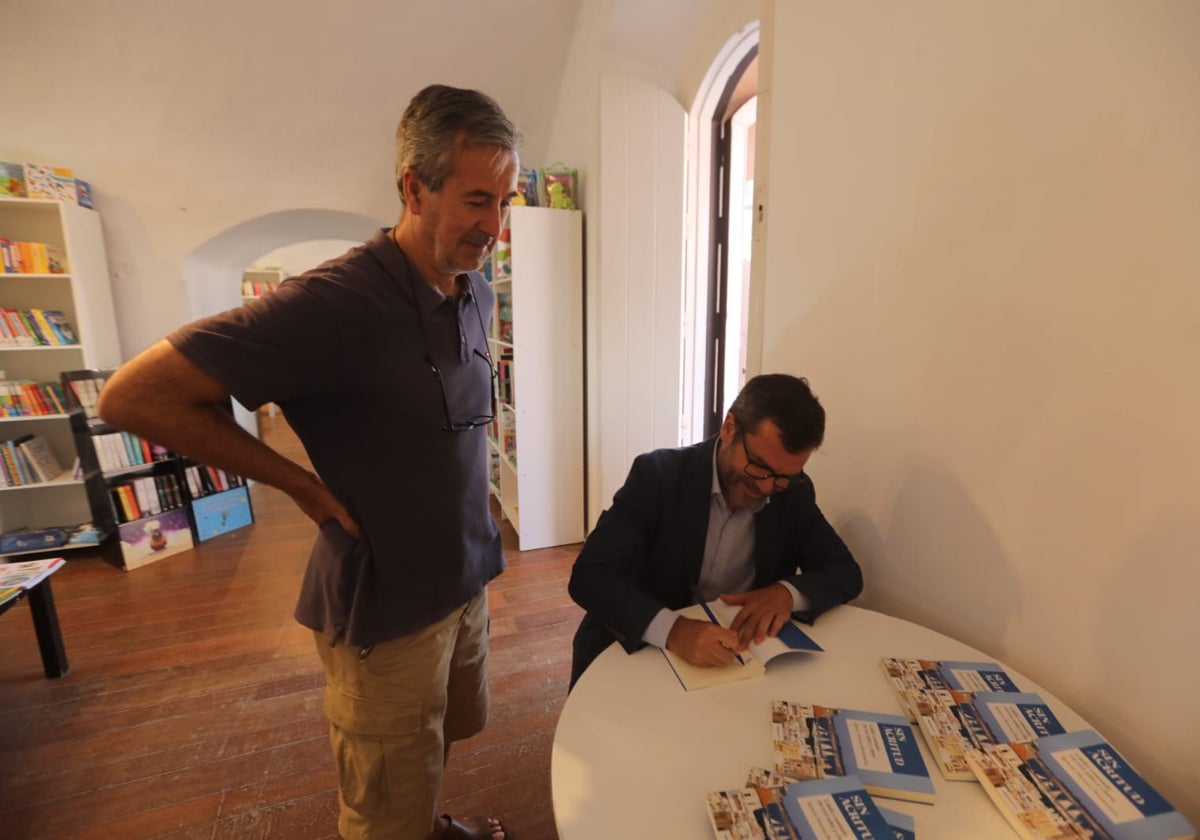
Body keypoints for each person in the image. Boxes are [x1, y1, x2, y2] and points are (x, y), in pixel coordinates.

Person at [96, 85, 520, 840]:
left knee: (435, 743)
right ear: (412, 189)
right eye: (477, 201)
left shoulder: (475, 292)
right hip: (385, 608)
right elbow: (134, 397)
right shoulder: (334, 304)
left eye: (506, 202)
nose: (494, 227)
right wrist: (295, 483)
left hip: (465, 579)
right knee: (382, 794)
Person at [568, 374, 863, 688]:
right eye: (758, 467)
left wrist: (785, 594)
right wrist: (674, 630)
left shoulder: (792, 492)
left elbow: (845, 571)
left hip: (733, 666)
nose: (765, 487)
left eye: (782, 477)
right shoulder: (658, 476)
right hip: (639, 651)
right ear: (729, 428)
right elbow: (591, 575)